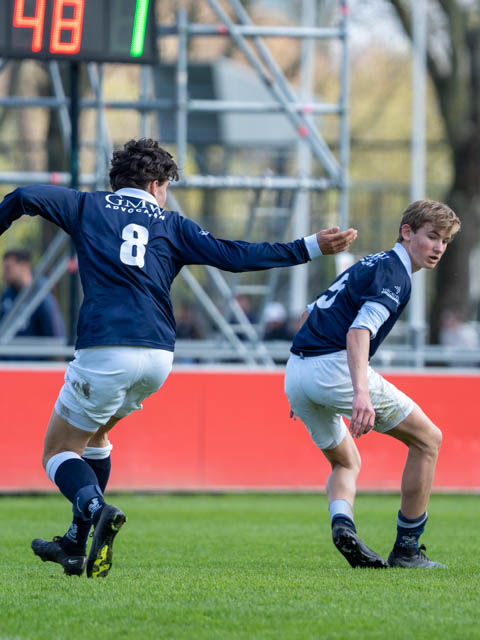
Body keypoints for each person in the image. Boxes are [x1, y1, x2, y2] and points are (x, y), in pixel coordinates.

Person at [0, 138, 357, 578]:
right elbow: (235, 256)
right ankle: (75, 543)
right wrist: (310, 246)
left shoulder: (86, 206)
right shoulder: (172, 225)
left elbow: (23, 197)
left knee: (56, 451)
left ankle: (95, 509)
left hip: (106, 349)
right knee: (96, 439)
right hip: (158, 357)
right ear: (155, 184)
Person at [284, 200, 460, 570]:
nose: (439, 248)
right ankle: (408, 550)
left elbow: (306, 315)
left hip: (298, 371)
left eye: (445, 241)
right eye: (432, 237)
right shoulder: (395, 274)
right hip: (335, 370)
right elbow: (359, 330)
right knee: (428, 439)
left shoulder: (367, 263)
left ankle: (343, 524)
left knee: (346, 461)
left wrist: (304, 385)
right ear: (407, 232)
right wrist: (360, 392)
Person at [0, 249, 65, 349]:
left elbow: (56, 337)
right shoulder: (7, 294)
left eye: (8, 268)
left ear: (24, 267)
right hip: (7, 362)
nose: (4, 274)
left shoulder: (41, 295)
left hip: (32, 362)